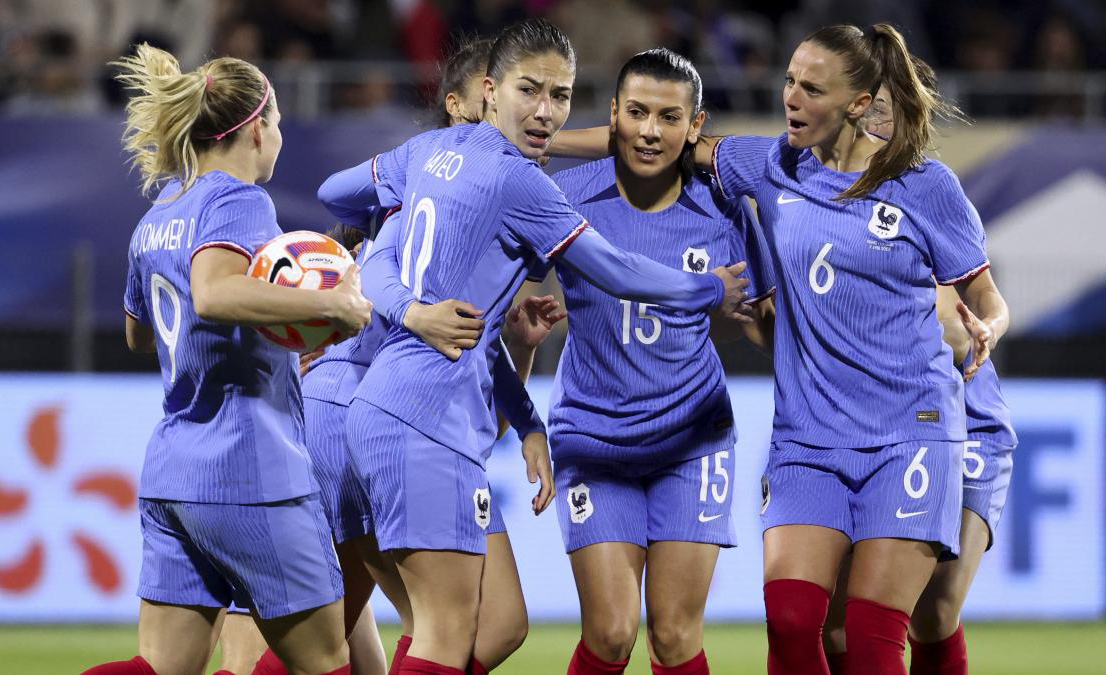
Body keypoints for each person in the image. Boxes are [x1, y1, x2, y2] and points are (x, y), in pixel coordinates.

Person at [552, 21, 1010, 675]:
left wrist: (988, 325)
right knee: (798, 624)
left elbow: (985, 299)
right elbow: (657, 136)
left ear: (856, 104)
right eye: (789, 81)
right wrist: (535, 143)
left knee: (884, 633)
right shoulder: (767, 164)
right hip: (813, 433)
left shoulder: (923, 185)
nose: (791, 97)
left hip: (914, 425)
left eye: (811, 88)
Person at [318, 17, 752, 675]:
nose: (546, 111)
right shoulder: (525, 183)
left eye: (560, 94)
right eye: (531, 91)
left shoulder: (430, 154)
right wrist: (707, 291)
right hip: (427, 412)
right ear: (490, 89)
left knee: (479, 625)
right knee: (442, 632)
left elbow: (335, 193)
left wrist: (404, 213)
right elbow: (620, 271)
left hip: (383, 408)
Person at [82, 43, 373, 675]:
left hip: (173, 476)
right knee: (328, 661)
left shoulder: (160, 212)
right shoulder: (240, 201)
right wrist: (333, 309)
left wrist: (269, 327)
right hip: (250, 471)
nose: (280, 136)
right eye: (277, 121)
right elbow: (213, 294)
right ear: (254, 127)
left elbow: (140, 334)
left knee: (161, 668)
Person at [544, 48, 774, 675]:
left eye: (670, 117)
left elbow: (755, 324)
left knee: (674, 637)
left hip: (693, 442)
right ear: (613, 114)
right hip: (593, 437)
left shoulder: (725, 212)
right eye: (638, 112)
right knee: (613, 632)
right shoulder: (564, 198)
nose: (650, 131)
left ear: (695, 127)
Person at [820, 76, 1018, 675]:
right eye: (864, 110)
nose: (872, 125)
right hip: (865, 428)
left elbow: (977, 308)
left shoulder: (925, 192)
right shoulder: (814, 199)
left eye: (884, 111)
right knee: (837, 632)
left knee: (932, 612)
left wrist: (987, 329)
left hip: (964, 423)